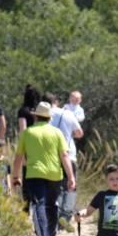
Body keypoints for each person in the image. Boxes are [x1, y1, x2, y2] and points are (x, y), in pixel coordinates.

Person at [11, 101, 75, 236]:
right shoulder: (57, 133)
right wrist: (71, 177)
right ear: (49, 118)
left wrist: (15, 176)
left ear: (36, 117)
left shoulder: (27, 133)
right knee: (52, 204)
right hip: (55, 174)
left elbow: (19, 157)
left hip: (34, 174)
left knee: (39, 203)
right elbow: (64, 156)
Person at [46, 92, 83, 226]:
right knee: (70, 185)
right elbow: (79, 133)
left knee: (56, 187)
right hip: (69, 153)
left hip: (51, 156)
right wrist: (69, 133)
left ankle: (55, 214)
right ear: (56, 101)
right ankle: (66, 216)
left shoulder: (44, 115)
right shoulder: (67, 113)